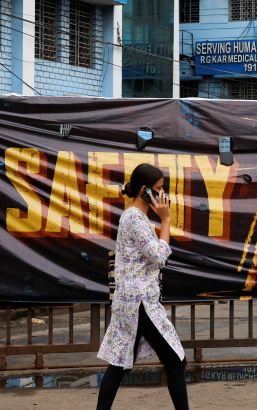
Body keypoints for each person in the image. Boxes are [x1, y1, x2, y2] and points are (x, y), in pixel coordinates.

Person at [96, 163, 189, 410]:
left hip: (133, 301)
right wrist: (167, 220)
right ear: (145, 190)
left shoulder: (134, 217)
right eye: (158, 189)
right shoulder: (135, 219)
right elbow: (159, 256)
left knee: (118, 364)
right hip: (140, 303)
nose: (163, 194)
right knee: (176, 362)